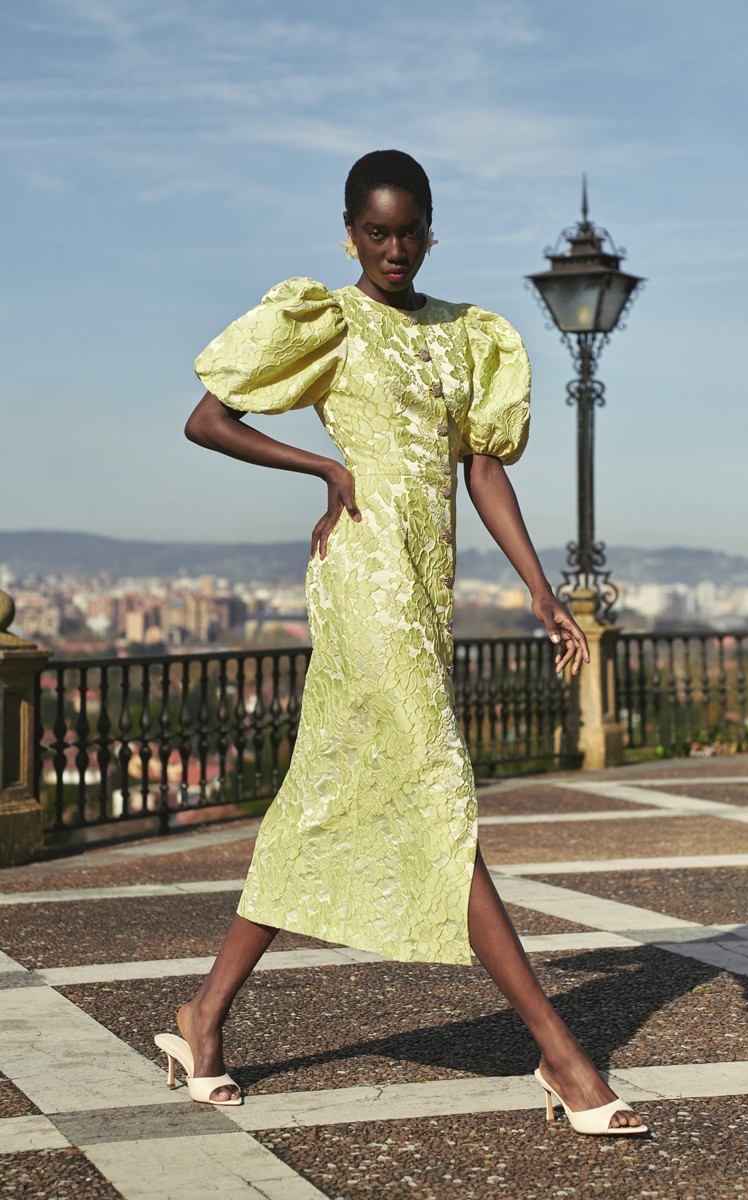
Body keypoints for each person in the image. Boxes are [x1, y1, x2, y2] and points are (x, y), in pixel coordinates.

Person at [156, 150, 647, 1135]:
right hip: (360, 586)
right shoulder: (325, 321)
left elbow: (483, 470)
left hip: (425, 595)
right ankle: (560, 1057)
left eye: (407, 230)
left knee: (321, 801)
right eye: (373, 231)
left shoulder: (465, 335)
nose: (391, 247)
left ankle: (200, 1018)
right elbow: (208, 418)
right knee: (435, 790)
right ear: (350, 232)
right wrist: (322, 470)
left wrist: (542, 595)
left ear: (429, 230)